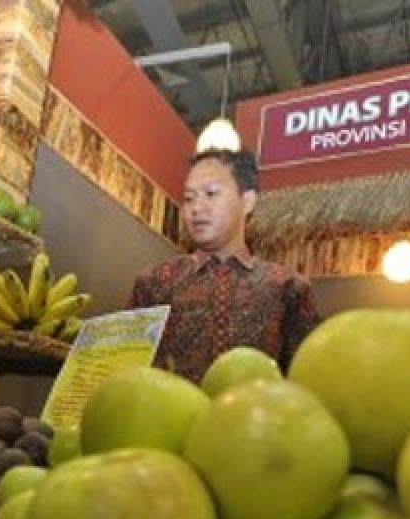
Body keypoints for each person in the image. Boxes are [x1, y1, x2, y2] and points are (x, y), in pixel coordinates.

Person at [128, 148, 320, 383]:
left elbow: (306, 382)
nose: (196, 208)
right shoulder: (153, 283)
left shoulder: (289, 288)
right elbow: (127, 374)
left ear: (247, 201)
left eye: (211, 193)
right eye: (189, 198)